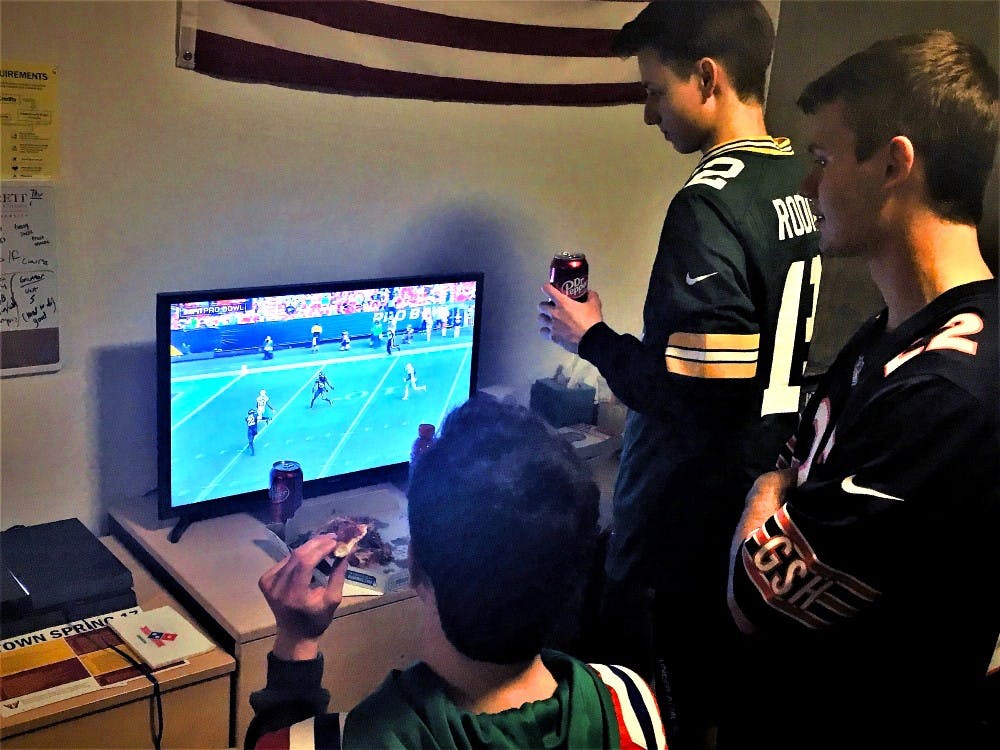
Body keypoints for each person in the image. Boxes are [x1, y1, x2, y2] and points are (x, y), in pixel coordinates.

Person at [537, 3, 821, 746]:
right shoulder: (799, 175)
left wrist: (590, 335)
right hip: (759, 491)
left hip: (689, 525)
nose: (647, 112)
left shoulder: (708, 203)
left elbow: (693, 397)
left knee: (665, 715)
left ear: (707, 77)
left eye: (656, 91)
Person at [725, 30, 998, 750]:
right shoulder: (892, 330)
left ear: (893, 164)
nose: (807, 187)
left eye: (821, 160)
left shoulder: (950, 393)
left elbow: (759, 597)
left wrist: (767, 491)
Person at [245, 397, 668, 749]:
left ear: (413, 564)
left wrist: (295, 645)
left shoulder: (336, 741)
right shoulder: (630, 702)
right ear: (579, 570)